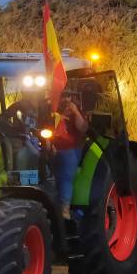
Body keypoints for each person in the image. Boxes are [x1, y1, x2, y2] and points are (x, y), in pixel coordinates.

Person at [50, 91, 89, 220]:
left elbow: (83, 128)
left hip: (71, 150)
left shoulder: (75, 111)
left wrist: (76, 112)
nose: (65, 100)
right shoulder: (50, 110)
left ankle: (64, 210)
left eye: (68, 96)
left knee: (65, 173)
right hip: (52, 148)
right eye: (62, 96)